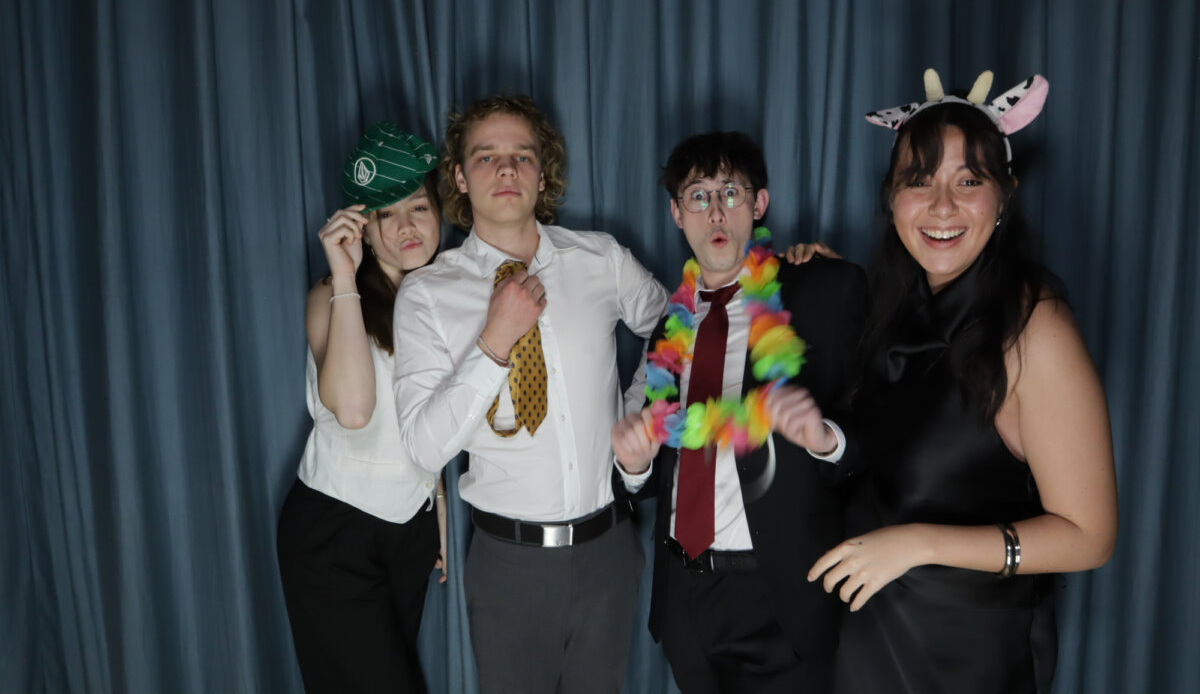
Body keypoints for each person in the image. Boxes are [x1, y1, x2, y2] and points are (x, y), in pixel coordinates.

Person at [808, 70, 1118, 693]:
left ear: (1005, 195)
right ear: (891, 198)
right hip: (870, 655)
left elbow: (1089, 537)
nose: (942, 206)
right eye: (919, 181)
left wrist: (918, 544)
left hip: (966, 665)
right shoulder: (893, 311)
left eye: (968, 181)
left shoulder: (1034, 329)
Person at [392, 94, 669, 693]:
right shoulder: (427, 295)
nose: (506, 169)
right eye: (486, 156)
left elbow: (679, 330)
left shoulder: (600, 258)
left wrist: (635, 410)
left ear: (543, 174)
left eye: (522, 155)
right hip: (508, 566)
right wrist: (495, 340)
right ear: (459, 177)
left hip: (609, 552)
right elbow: (422, 447)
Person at [610, 131, 867, 692]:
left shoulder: (823, 290)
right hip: (685, 600)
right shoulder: (667, 329)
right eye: (698, 196)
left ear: (759, 204)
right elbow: (655, 470)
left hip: (780, 599)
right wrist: (633, 466)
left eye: (730, 192)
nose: (716, 212)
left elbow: (878, 434)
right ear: (677, 213)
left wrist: (824, 439)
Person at [277, 122, 448, 693]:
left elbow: (427, 416)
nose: (406, 226)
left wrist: (437, 508)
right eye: (385, 213)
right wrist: (345, 272)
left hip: (409, 533)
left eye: (418, 206)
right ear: (363, 228)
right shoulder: (331, 294)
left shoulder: (443, 299)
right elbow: (354, 411)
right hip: (335, 534)